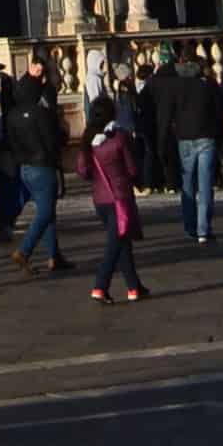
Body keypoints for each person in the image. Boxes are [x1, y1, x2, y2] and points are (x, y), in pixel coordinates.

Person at [5, 55, 68, 274]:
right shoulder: (41, 113)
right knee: (45, 211)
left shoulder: (12, 115)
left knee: (46, 209)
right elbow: (53, 139)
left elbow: (12, 143)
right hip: (43, 165)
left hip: (25, 167)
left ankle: (54, 255)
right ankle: (24, 250)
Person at [80, 98, 147, 301]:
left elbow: (82, 170)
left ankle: (134, 287)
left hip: (100, 199)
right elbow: (132, 168)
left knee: (121, 240)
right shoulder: (119, 137)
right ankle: (100, 285)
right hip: (120, 197)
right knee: (115, 243)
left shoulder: (87, 139)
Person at [155, 48, 223, 248]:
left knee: (188, 185)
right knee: (205, 185)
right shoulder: (208, 85)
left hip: (184, 138)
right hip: (206, 137)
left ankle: (190, 226)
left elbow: (166, 116)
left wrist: (162, 141)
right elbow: (218, 112)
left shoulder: (175, 87)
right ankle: (204, 229)